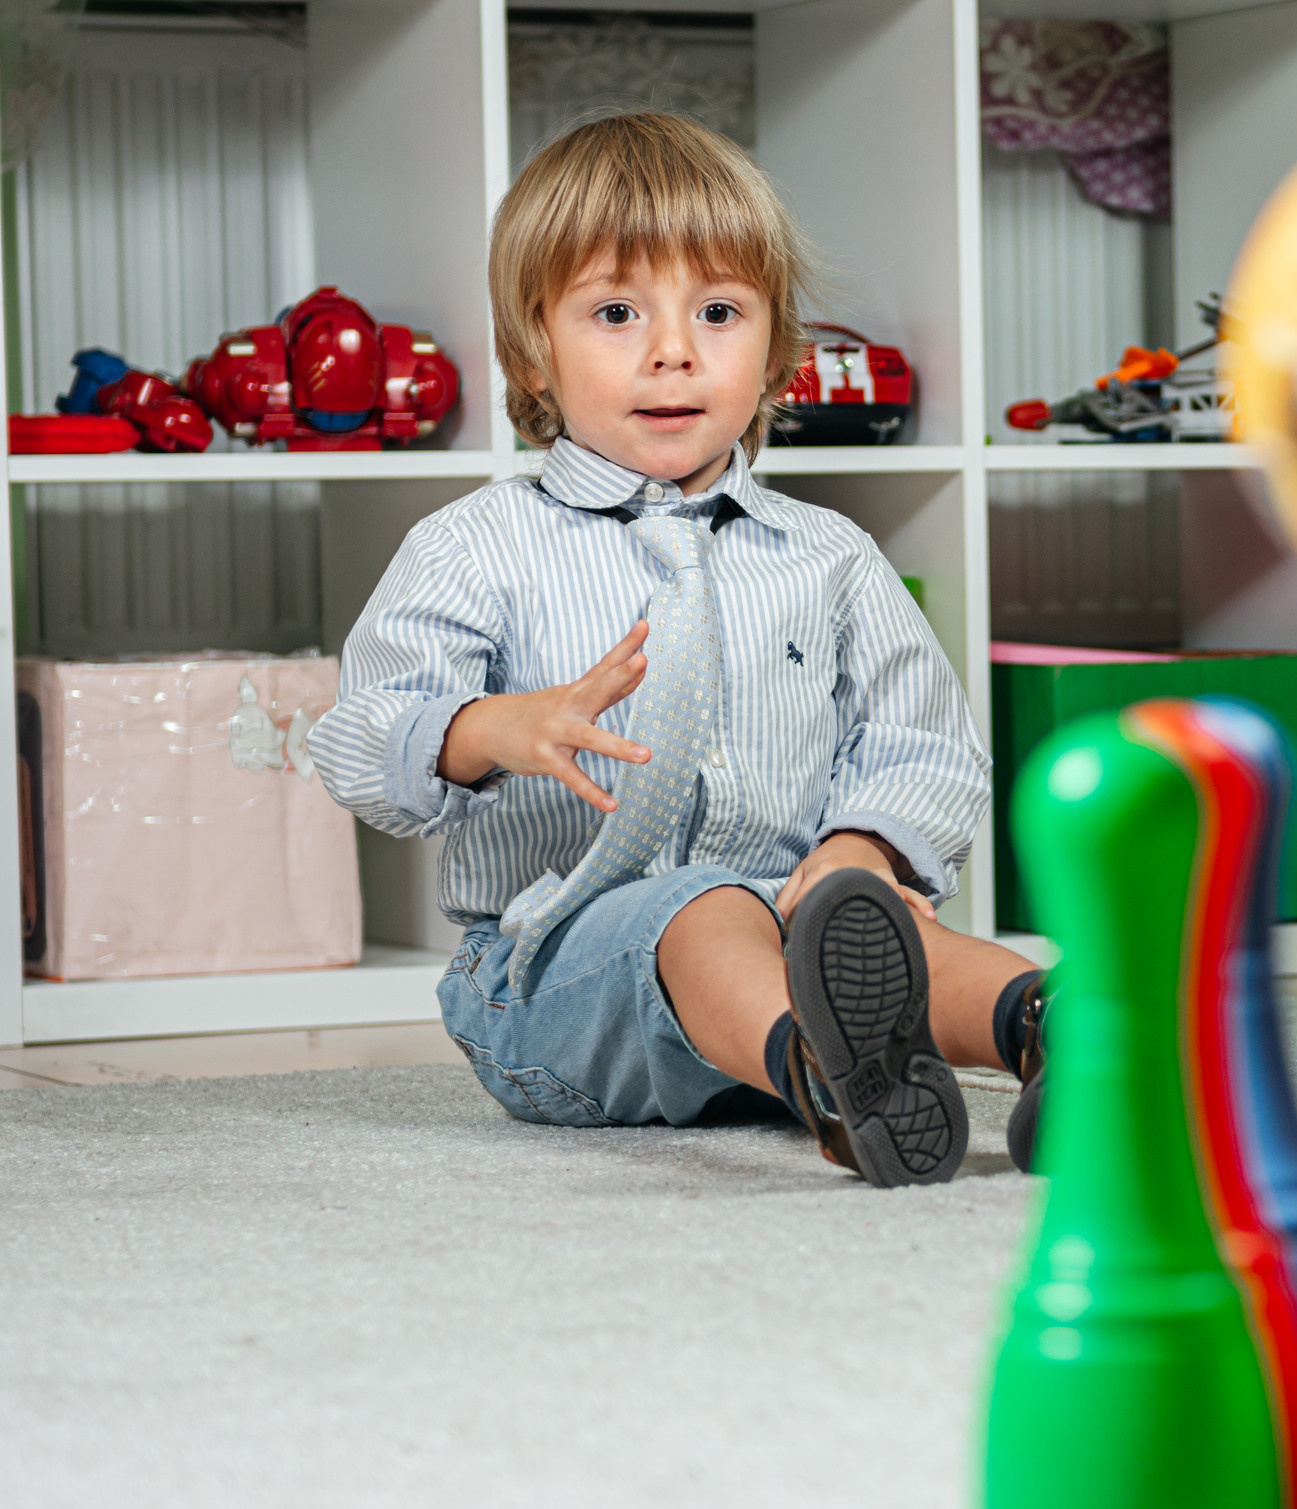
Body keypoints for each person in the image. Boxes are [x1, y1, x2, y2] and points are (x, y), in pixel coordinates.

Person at [310, 111, 1048, 1185]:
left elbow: (924, 744)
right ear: (533, 350)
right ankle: (825, 1074)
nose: (673, 350)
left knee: (888, 931)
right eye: (617, 312)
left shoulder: (830, 555)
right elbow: (353, 743)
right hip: (549, 976)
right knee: (700, 909)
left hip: (795, 924)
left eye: (718, 311)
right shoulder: (472, 547)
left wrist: (863, 849)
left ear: (777, 351)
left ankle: (1049, 1028)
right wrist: (485, 730)